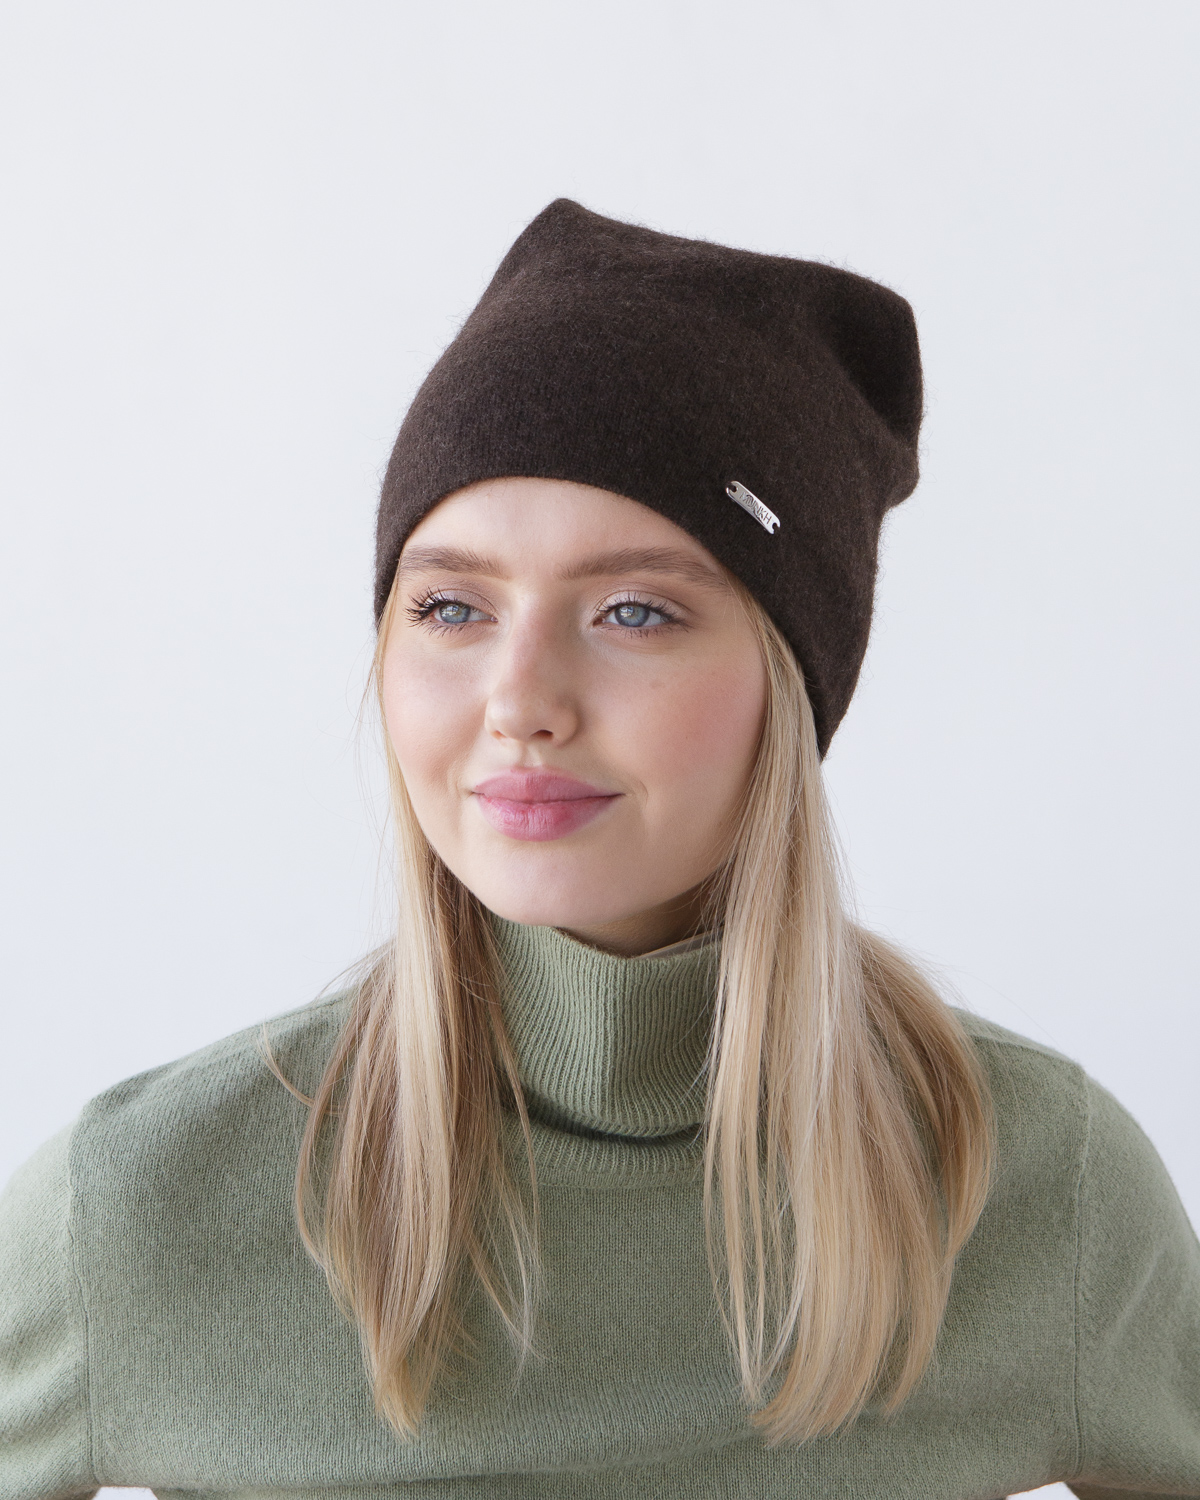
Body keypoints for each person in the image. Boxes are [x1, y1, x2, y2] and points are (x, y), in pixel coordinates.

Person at [1, 199, 1197, 1500]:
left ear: (791, 684)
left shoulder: (1042, 1194)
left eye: (634, 611)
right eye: (448, 606)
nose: (520, 700)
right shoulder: (142, 1210)